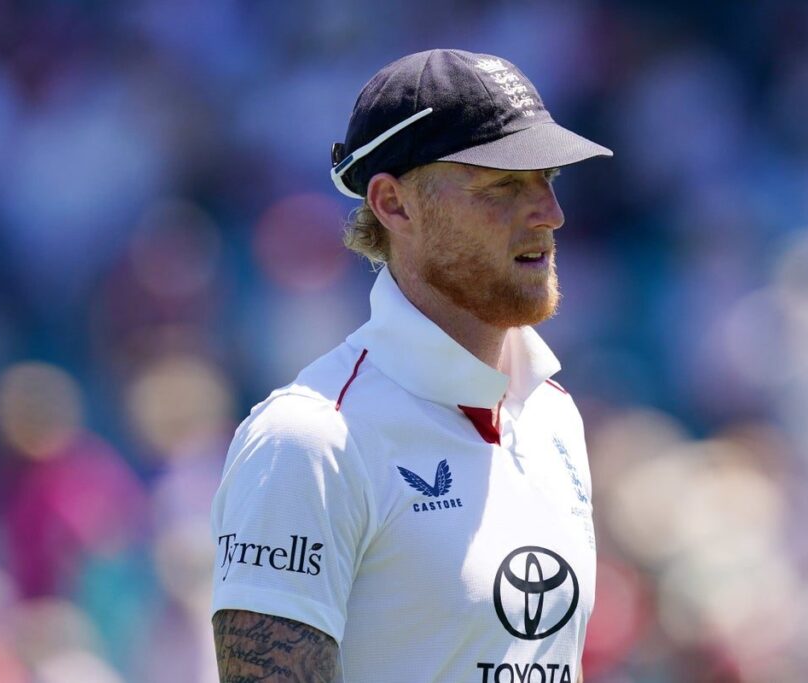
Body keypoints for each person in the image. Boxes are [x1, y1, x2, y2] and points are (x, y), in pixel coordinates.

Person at [210, 48, 612, 683]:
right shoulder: (308, 441)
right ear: (394, 204)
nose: (550, 214)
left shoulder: (553, 416)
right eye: (504, 184)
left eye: (548, 179)